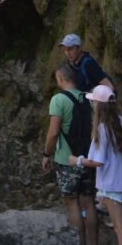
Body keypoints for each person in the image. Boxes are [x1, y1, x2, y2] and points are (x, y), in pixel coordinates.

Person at [42, 63, 98, 245]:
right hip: (89, 158)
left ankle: (80, 242)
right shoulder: (90, 98)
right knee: (89, 201)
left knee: (72, 201)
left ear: (60, 79)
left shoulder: (58, 100)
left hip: (67, 161)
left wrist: (46, 154)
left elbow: (53, 133)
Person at [74, 85, 122, 243]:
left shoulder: (102, 128)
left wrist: (77, 160)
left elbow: (98, 161)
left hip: (111, 186)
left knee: (119, 229)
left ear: (97, 105)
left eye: (93, 101)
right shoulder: (120, 121)